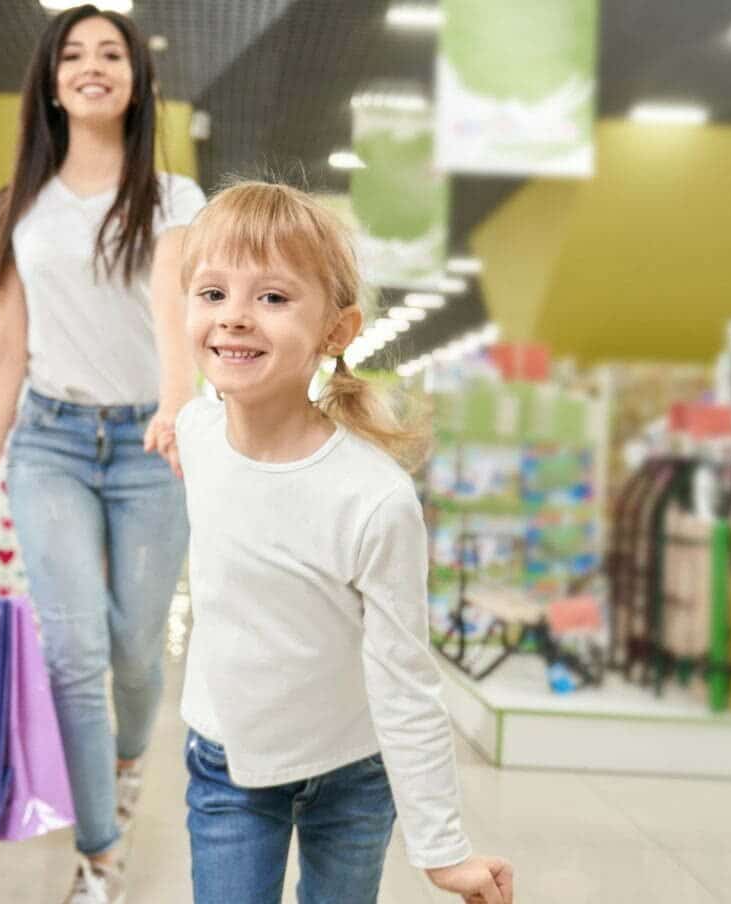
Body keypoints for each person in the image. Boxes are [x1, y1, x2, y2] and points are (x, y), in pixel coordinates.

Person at [173, 182, 516, 904]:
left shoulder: (373, 499)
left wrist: (443, 847)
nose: (234, 316)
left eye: (272, 297)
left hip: (352, 774)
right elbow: (189, 444)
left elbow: (404, 678)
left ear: (336, 330)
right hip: (228, 762)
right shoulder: (194, 434)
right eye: (211, 293)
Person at [0, 6, 204, 902]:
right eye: (75, 55)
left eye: (111, 54)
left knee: (136, 648)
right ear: (51, 83)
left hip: (147, 447)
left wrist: (177, 409)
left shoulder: (175, 200)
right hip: (49, 441)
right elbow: (6, 348)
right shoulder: (16, 208)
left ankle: (127, 759)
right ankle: (98, 855)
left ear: (137, 80)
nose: (93, 66)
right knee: (72, 648)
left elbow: (174, 313)